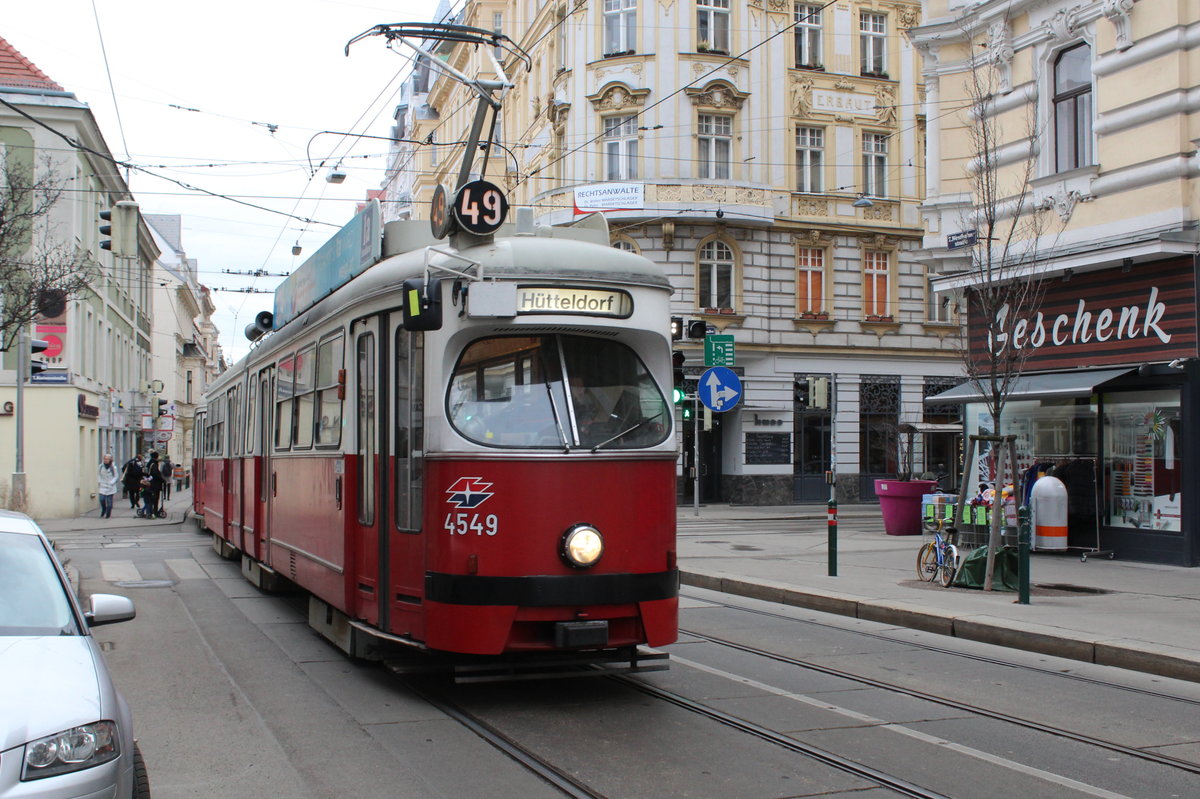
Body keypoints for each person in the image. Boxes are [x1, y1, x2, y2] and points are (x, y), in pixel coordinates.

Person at [143, 451, 164, 517]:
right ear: (156, 457)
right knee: (154, 498)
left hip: (150, 483)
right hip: (154, 484)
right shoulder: (154, 464)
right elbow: (155, 474)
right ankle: (154, 512)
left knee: (150, 498)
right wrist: (162, 480)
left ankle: (149, 511)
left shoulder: (149, 463)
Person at [97, 454, 118, 519]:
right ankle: (104, 509)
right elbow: (98, 475)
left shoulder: (113, 467)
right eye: (104, 459)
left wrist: (112, 482)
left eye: (107, 459)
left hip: (110, 487)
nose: (105, 460)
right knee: (102, 499)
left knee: (109, 503)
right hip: (103, 485)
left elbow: (116, 476)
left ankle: (108, 514)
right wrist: (99, 481)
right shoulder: (101, 466)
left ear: (110, 460)